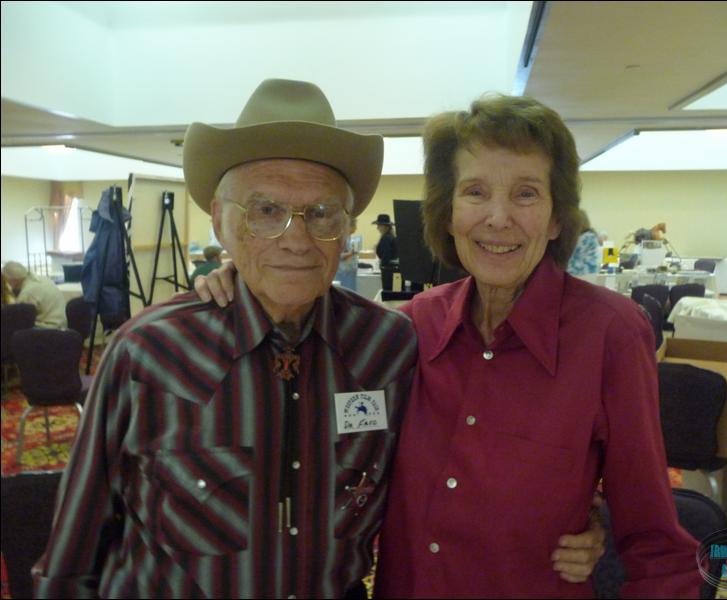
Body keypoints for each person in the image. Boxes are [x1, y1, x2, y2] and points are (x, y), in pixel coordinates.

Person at [198, 94, 699, 597]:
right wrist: (251, 281)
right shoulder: (410, 329)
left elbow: (655, 542)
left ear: (555, 218)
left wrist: (596, 517)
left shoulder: (609, 333)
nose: (498, 218)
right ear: (448, 213)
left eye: (526, 194)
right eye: (475, 192)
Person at [32, 78, 419, 599]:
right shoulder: (149, 352)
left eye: (322, 213)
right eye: (266, 211)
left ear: (346, 229)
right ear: (221, 222)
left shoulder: (388, 347)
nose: (296, 239)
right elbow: (73, 551)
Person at [1, 261, 66, 328]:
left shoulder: (27, 292)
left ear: (13, 280)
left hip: (49, 328)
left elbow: (18, 317)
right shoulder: (43, 279)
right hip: (62, 325)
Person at [566, 209, 601, 275]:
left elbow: (573, 262)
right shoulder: (591, 236)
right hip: (590, 273)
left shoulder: (585, 238)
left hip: (582, 274)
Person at [373, 213, 399, 291]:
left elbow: (386, 255)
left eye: (379, 225)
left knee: (388, 290)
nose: (377, 227)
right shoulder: (390, 236)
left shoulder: (386, 238)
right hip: (392, 269)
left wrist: (382, 266)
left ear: (385, 226)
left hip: (388, 270)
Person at [335, 217, 359, 290]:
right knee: (345, 292)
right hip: (344, 273)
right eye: (354, 225)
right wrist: (351, 253)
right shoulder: (342, 239)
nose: (356, 228)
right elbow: (338, 256)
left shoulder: (349, 238)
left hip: (350, 271)